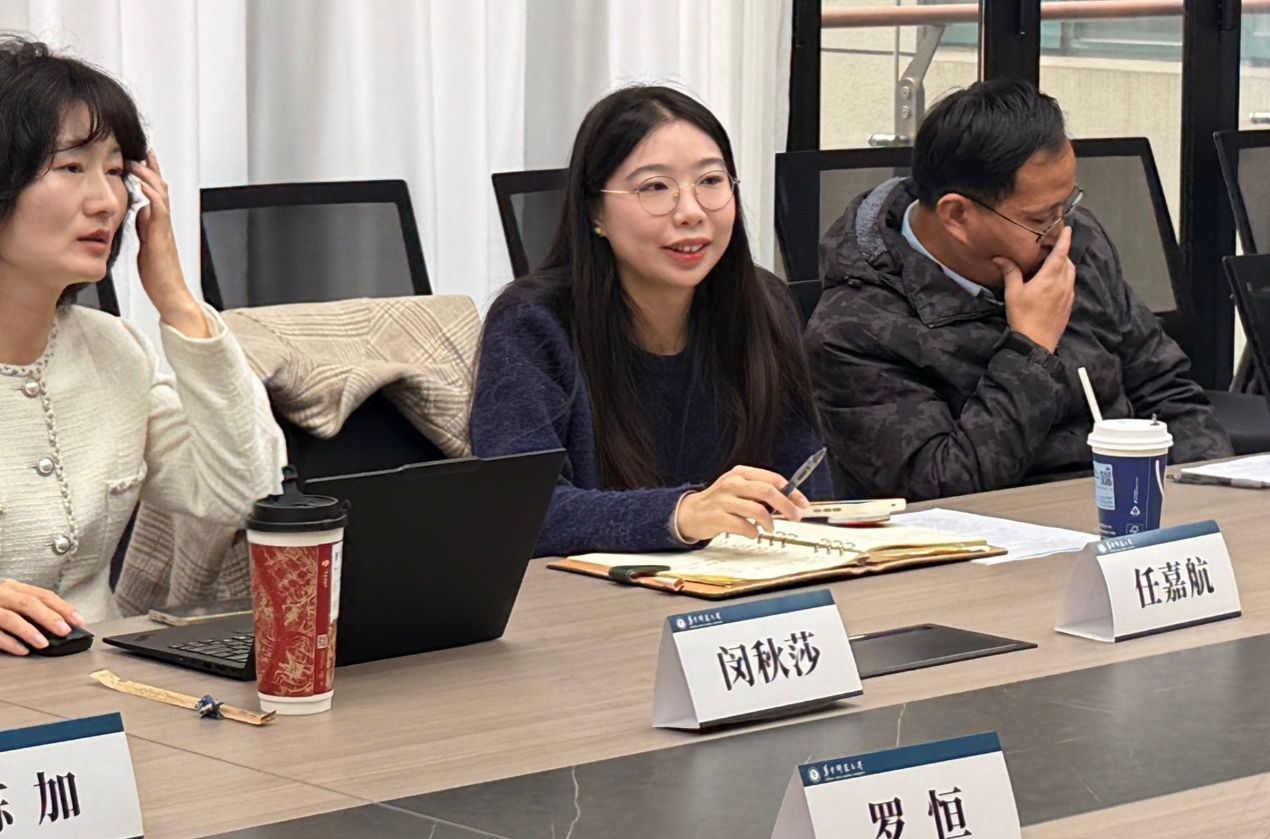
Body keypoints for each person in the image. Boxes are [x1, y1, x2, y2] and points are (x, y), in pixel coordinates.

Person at [806, 78, 1233, 501]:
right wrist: (1031, 349)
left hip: (1124, 504)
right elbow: (938, 489)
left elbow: (1163, 387)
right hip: (1002, 528)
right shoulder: (856, 329)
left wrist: (1212, 493)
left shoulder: (1072, 244)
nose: (1061, 230)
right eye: (1040, 218)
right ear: (957, 216)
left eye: (1067, 205)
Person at [0, 37, 285, 656]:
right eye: (71, 168)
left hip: (97, 687)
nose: (107, 202)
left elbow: (241, 492)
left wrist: (178, 301)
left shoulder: (116, 351)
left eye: (115, 171)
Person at [470, 85, 828, 556]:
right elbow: (517, 511)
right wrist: (679, 515)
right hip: (592, 595)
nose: (691, 212)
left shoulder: (763, 305)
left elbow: (809, 491)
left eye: (711, 181)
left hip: (749, 585)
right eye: (655, 187)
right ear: (595, 211)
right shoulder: (533, 323)